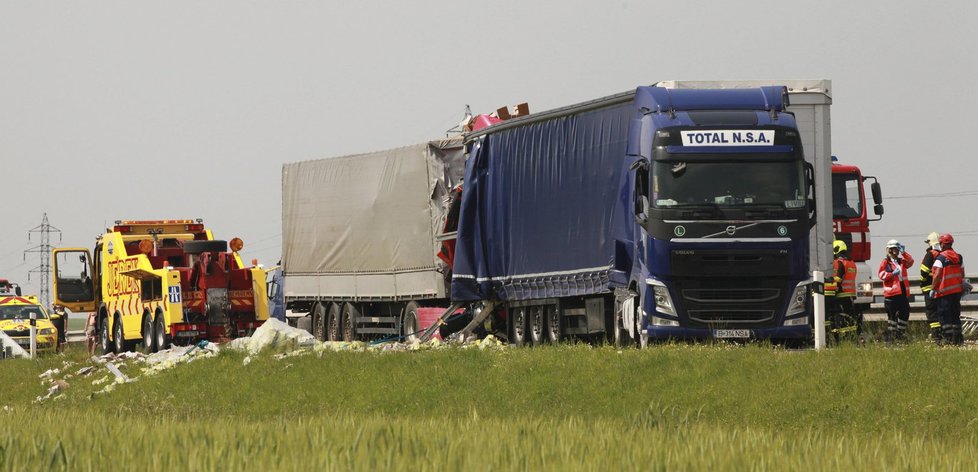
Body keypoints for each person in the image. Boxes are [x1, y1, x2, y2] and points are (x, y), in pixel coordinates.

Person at [931, 233, 968, 345]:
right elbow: (962, 273)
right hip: (956, 292)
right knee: (955, 315)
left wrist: (933, 288)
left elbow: (937, 275)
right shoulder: (958, 257)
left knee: (945, 317)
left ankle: (948, 339)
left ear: (942, 244)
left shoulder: (940, 258)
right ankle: (958, 339)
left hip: (943, 293)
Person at [878, 239, 915, 342]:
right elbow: (881, 274)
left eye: (897, 248)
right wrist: (892, 274)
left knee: (905, 313)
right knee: (892, 317)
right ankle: (891, 337)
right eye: (894, 248)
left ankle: (900, 335)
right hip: (891, 294)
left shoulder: (901, 261)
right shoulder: (885, 262)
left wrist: (904, 253)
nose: (896, 250)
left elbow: (911, 262)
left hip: (902, 292)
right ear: (889, 249)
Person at [828, 240, 860, 341]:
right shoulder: (852, 263)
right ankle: (852, 337)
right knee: (850, 317)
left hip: (841, 295)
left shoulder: (840, 263)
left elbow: (838, 279)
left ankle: (840, 339)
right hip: (850, 295)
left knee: (840, 317)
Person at [919, 231, 942, 343]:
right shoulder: (943, 255)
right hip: (941, 288)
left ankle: (936, 335)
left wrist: (922, 282)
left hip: (929, 288)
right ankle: (942, 333)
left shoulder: (930, 254)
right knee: (940, 311)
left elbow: (924, 271)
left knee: (931, 312)